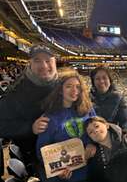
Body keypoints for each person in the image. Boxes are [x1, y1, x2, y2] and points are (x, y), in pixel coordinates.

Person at [0, 45, 58, 174]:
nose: (44, 65)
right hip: (36, 160)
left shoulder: (64, 86)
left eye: (48, 61)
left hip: (67, 152)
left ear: (55, 62)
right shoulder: (16, 92)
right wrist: (30, 128)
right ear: (30, 64)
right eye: (37, 60)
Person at [36, 69, 96, 182]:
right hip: (67, 178)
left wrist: (92, 144)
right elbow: (41, 152)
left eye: (78, 87)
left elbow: (98, 132)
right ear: (60, 90)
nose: (74, 90)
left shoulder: (88, 109)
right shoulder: (49, 117)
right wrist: (58, 171)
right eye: (69, 86)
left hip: (92, 171)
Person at [84, 116, 127, 182]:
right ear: (90, 138)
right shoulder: (95, 158)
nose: (95, 131)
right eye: (90, 132)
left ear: (107, 125)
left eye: (96, 126)